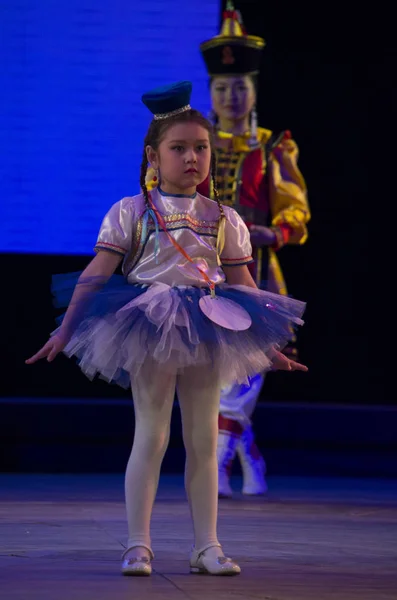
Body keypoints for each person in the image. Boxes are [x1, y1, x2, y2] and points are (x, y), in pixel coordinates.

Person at [26, 80, 308, 577]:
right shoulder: (131, 213)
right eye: (179, 148)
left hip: (207, 328)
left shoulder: (224, 219)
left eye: (201, 148)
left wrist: (272, 346)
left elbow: (244, 286)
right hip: (150, 326)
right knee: (151, 437)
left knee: (202, 438)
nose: (193, 158)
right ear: (153, 156)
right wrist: (65, 331)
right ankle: (138, 544)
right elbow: (95, 277)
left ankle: (208, 547)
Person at [196, 2, 311, 497]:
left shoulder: (272, 147)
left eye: (240, 86)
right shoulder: (195, 143)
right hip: (199, 268)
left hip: (255, 267)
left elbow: (295, 210)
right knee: (211, 368)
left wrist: (273, 232)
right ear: (212, 93)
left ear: (253, 91)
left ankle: (220, 457)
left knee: (251, 362)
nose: (232, 95)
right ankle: (245, 448)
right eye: (223, 88)